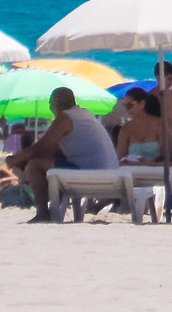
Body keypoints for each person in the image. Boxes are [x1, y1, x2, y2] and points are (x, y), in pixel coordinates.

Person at [7, 87, 118, 222]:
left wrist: (14, 160)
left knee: (35, 165)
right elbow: (55, 150)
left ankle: (43, 213)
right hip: (110, 175)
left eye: (50, 104)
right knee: (52, 165)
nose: (50, 108)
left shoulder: (65, 117)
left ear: (56, 104)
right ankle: (52, 209)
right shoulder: (85, 114)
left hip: (90, 174)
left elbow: (42, 146)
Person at [115, 87, 166, 163]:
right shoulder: (125, 129)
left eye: (130, 105)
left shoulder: (159, 124)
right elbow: (121, 158)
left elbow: (166, 154)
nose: (127, 109)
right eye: (125, 106)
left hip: (157, 168)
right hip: (132, 169)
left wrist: (147, 162)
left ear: (142, 104)